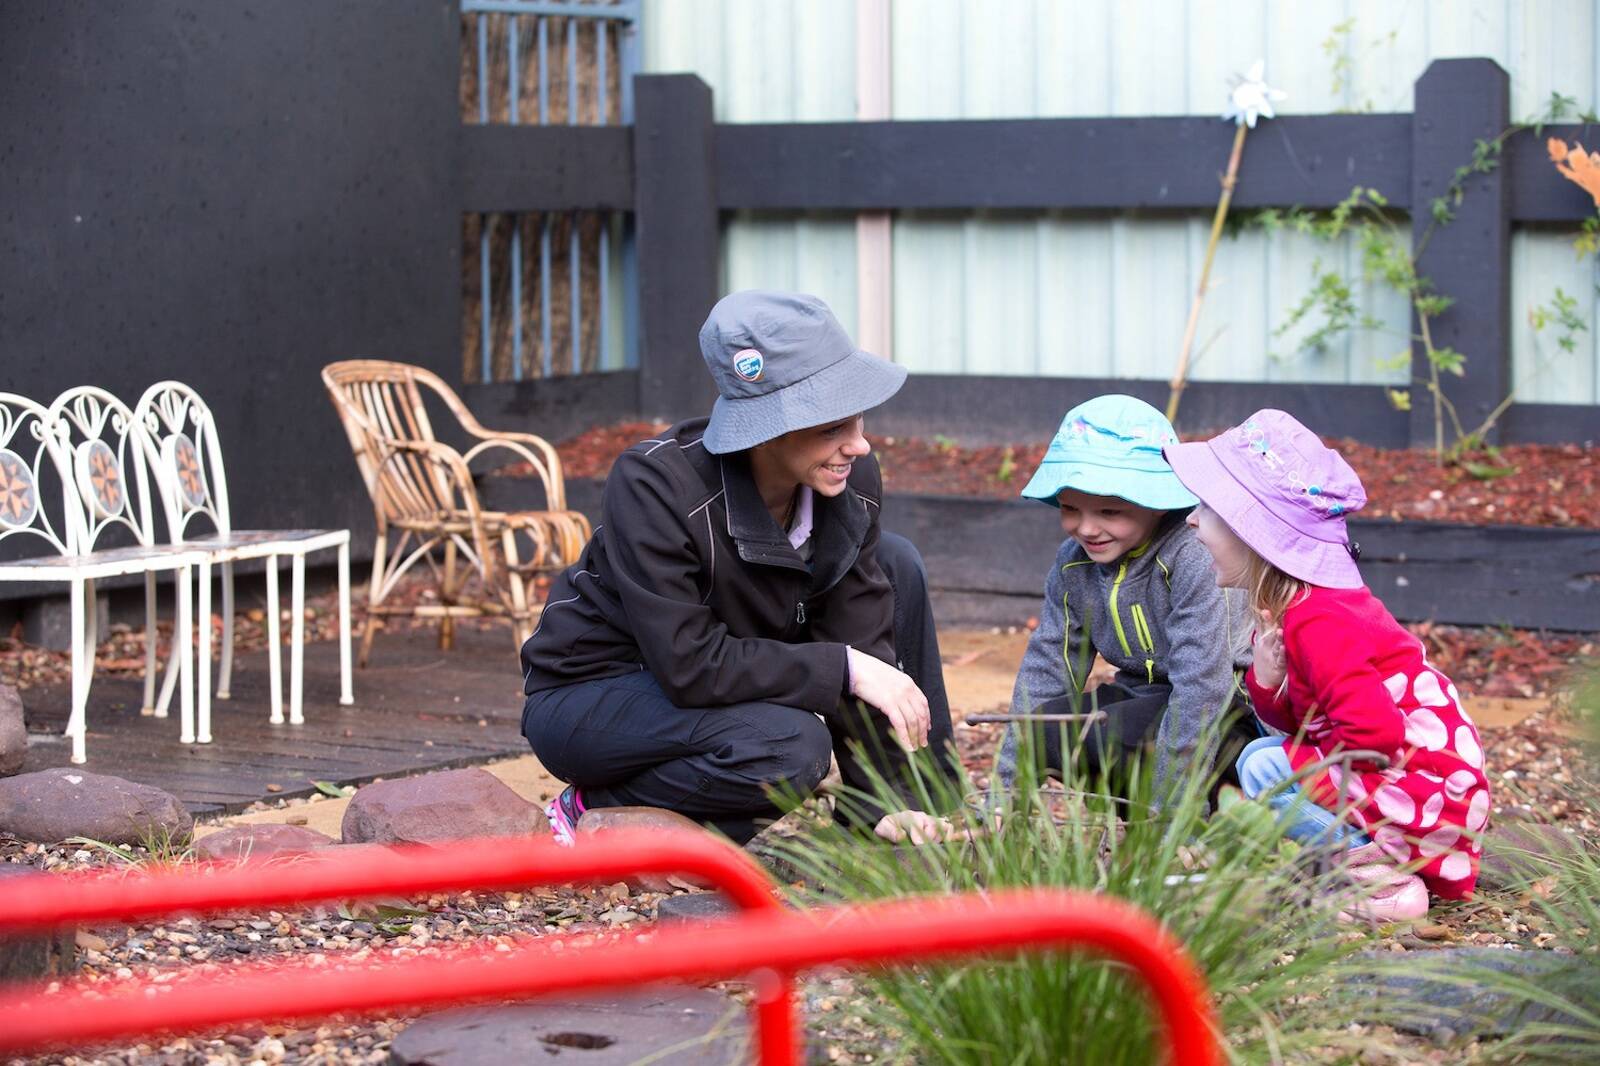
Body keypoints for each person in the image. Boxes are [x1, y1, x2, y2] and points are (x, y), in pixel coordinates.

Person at [519, 290, 960, 846]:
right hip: (597, 693)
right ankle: (594, 808)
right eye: (832, 429)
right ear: (766, 430)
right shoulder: (655, 486)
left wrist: (886, 802)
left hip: (709, 683)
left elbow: (860, 636)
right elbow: (689, 664)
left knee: (894, 563)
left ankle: (884, 810)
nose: (860, 446)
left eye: (857, 420)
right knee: (787, 749)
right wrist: (845, 667)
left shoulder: (848, 482)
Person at [1164, 409, 1489, 920]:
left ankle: (1382, 879)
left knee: (1266, 768)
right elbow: (1316, 721)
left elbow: (1375, 735)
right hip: (1407, 776)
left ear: (1253, 532)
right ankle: (1360, 860)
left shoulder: (1321, 619)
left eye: (1207, 507)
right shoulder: (1298, 609)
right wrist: (1268, 682)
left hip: (1422, 784)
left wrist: (1302, 762)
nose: (1191, 520)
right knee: (1262, 757)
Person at [996, 395, 1254, 806]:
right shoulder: (1073, 563)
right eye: (1070, 508)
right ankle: (1136, 816)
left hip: (1227, 712)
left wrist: (1171, 815)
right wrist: (1002, 795)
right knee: (1047, 731)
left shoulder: (1194, 555)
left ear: (1157, 503)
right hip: (1140, 699)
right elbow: (1048, 665)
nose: (1086, 528)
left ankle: (1190, 818)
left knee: (1111, 736)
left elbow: (1203, 689)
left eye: (1109, 511)